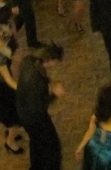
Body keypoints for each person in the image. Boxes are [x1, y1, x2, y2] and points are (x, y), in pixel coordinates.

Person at [16, 42, 65, 170]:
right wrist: (54, 94)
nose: (54, 66)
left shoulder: (29, 61)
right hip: (34, 118)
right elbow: (39, 106)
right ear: (50, 60)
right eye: (55, 62)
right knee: (52, 146)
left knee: (36, 143)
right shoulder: (35, 80)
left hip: (23, 112)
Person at [0, 24, 23, 154]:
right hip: (3, 87)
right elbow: (8, 79)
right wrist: (22, 89)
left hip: (2, 85)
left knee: (11, 114)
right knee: (14, 118)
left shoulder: (0, 48)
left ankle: (12, 133)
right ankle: (10, 142)